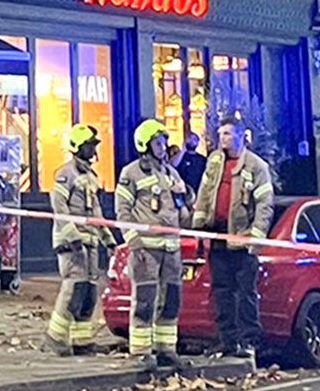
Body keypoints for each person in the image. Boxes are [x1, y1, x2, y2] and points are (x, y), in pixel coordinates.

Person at [116, 120, 191, 376]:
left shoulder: (171, 173)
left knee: (171, 300)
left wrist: (184, 196)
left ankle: (166, 349)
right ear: (145, 144)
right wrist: (133, 241)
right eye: (157, 142)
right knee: (145, 301)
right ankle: (141, 352)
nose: (163, 147)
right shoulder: (131, 173)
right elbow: (122, 211)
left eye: (163, 142)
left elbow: (183, 213)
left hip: (171, 249)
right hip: (145, 249)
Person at [195, 121, 274, 360]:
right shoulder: (214, 162)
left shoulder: (257, 166)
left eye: (228, 134)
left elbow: (264, 205)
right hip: (218, 237)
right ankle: (226, 340)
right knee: (222, 292)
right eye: (221, 134)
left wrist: (256, 237)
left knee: (245, 293)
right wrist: (199, 228)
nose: (223, 139)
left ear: (241, 136)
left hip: (242, 240)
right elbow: (204, 194)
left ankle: (248, 342)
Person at [46, 124, 109, 356]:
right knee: (73, 288)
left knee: (89, 292)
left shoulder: (91, 177)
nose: (92, 150)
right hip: (71, 244)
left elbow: (97, 213)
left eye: (93, 145)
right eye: (89, 145)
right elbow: (59, 208)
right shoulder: (65, 174)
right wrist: (73, 237)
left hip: (90, 242)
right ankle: (55, 336)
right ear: (77, 147)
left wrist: (108, 239)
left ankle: (82, 341)